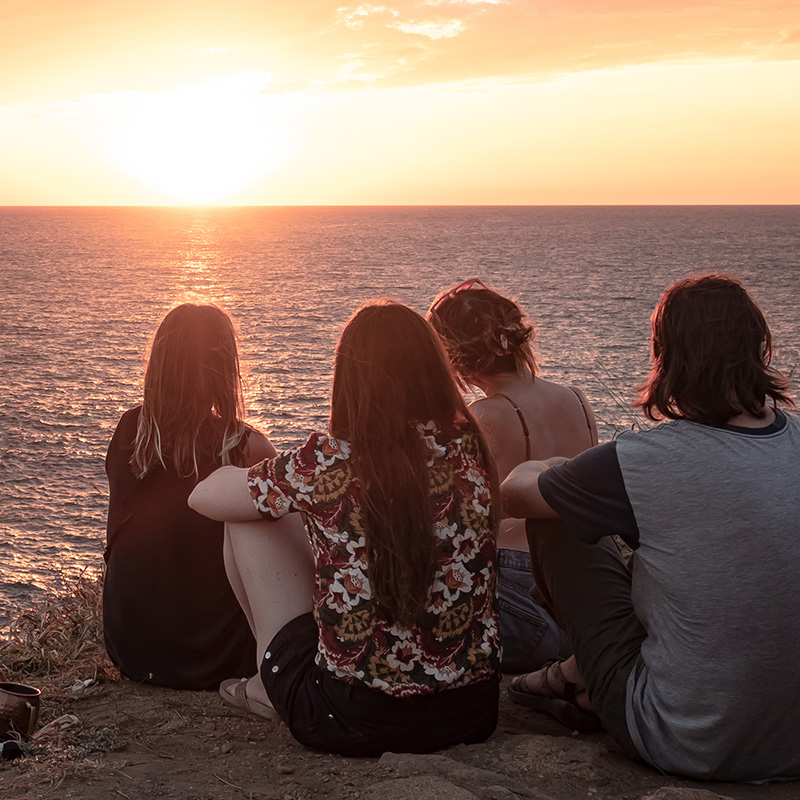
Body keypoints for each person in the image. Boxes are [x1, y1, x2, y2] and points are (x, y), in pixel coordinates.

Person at [501, 274, 800, 781]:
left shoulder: (645, 460)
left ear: (666, 356)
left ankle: (584, 680)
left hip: (690, 739)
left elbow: (514, 492)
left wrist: (556, 467)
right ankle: (580, 675)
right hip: (792, 743)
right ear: (758, 346)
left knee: (557, 519)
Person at [189, 300, 501, 757]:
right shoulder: (472, 452)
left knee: (247, 518)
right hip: (470, 713)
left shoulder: (329, 464)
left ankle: (263, 686)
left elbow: (204, 496)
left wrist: (288, 494)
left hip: (351, 718)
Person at [428, 279, 597, 673]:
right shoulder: (576, 398)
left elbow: (464, 519)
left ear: (454, 359)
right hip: (579, 576)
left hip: (518, 574)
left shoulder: (486, 415)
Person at [103, 303, 275, 690]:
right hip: (218, 658)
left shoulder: (130, 430)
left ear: (159, 363)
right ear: (224, 369)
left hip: (132, 648)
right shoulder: (246, 448)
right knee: (277, 508)